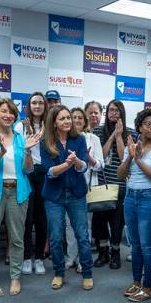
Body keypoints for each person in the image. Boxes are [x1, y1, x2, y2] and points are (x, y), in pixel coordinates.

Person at [0, 98, 37, 297]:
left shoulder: (21, 138)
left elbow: (28, 170)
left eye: (11, 112)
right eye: (3, 111)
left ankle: (15, 278)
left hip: (18, 192)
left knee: (18, 239)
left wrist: (28, 151)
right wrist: (1, 152)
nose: (8, 115)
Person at [118, 109, 151, 302]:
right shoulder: (130, 147)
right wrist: (131, 156)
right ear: (139, 126)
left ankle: (148, 286)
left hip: (149, 197)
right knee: (135, 244)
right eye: (148, 123)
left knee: (148, 244)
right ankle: (136, 283)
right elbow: (121, 174)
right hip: (131, 197)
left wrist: (138, 160)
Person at [40, 105, 94, 291]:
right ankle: (59, 273)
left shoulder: (79, 139)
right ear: (54, 122)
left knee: (82, 235)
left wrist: (77, 162)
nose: (67, 121)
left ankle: (87, 273)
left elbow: (84, 167)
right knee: (55, 237)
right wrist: (66, 164)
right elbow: (49, 171)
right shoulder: (46, 142)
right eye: (62, 118)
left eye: (68, 118)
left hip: (76, 194)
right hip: (54, 196)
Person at [92, 99, 132, 269]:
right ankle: (103, 252)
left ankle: (115, 252)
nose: (113, 113)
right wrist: (111, 136)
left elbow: (125, 157)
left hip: (120, 184)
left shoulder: (130, 132)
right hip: (102, 183)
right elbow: (100, 155)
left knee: (117, 223)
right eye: (110, 110)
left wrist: (119, 136)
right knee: (99, 221)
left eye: (117, 110)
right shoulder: (98, 131)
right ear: (106, 113)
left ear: (122, 113)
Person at [64, 106, 103, 272]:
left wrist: (88, 158)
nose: (77, 120)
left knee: (84, 225)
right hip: (67, 187)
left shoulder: (92, 138)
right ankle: (71, 257)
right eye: (73, 117)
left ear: (84, 120)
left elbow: (101, 165)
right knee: (68, 225)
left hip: (87, 188)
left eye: (80, 117)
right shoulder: (64, 138)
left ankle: (82, 259)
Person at [21, 92, 49, 276]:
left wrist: (45, 134)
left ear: (45, 105)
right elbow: (19, 149)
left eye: (40, 103)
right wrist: (30, 135)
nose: (37, 106)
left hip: (45, 173)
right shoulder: (20, 125)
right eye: (34, 103)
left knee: (42, 218)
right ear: (29, 106)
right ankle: (25, 258)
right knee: (27, 218)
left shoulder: (51, 126)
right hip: (27, 172)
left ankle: (39, 257)